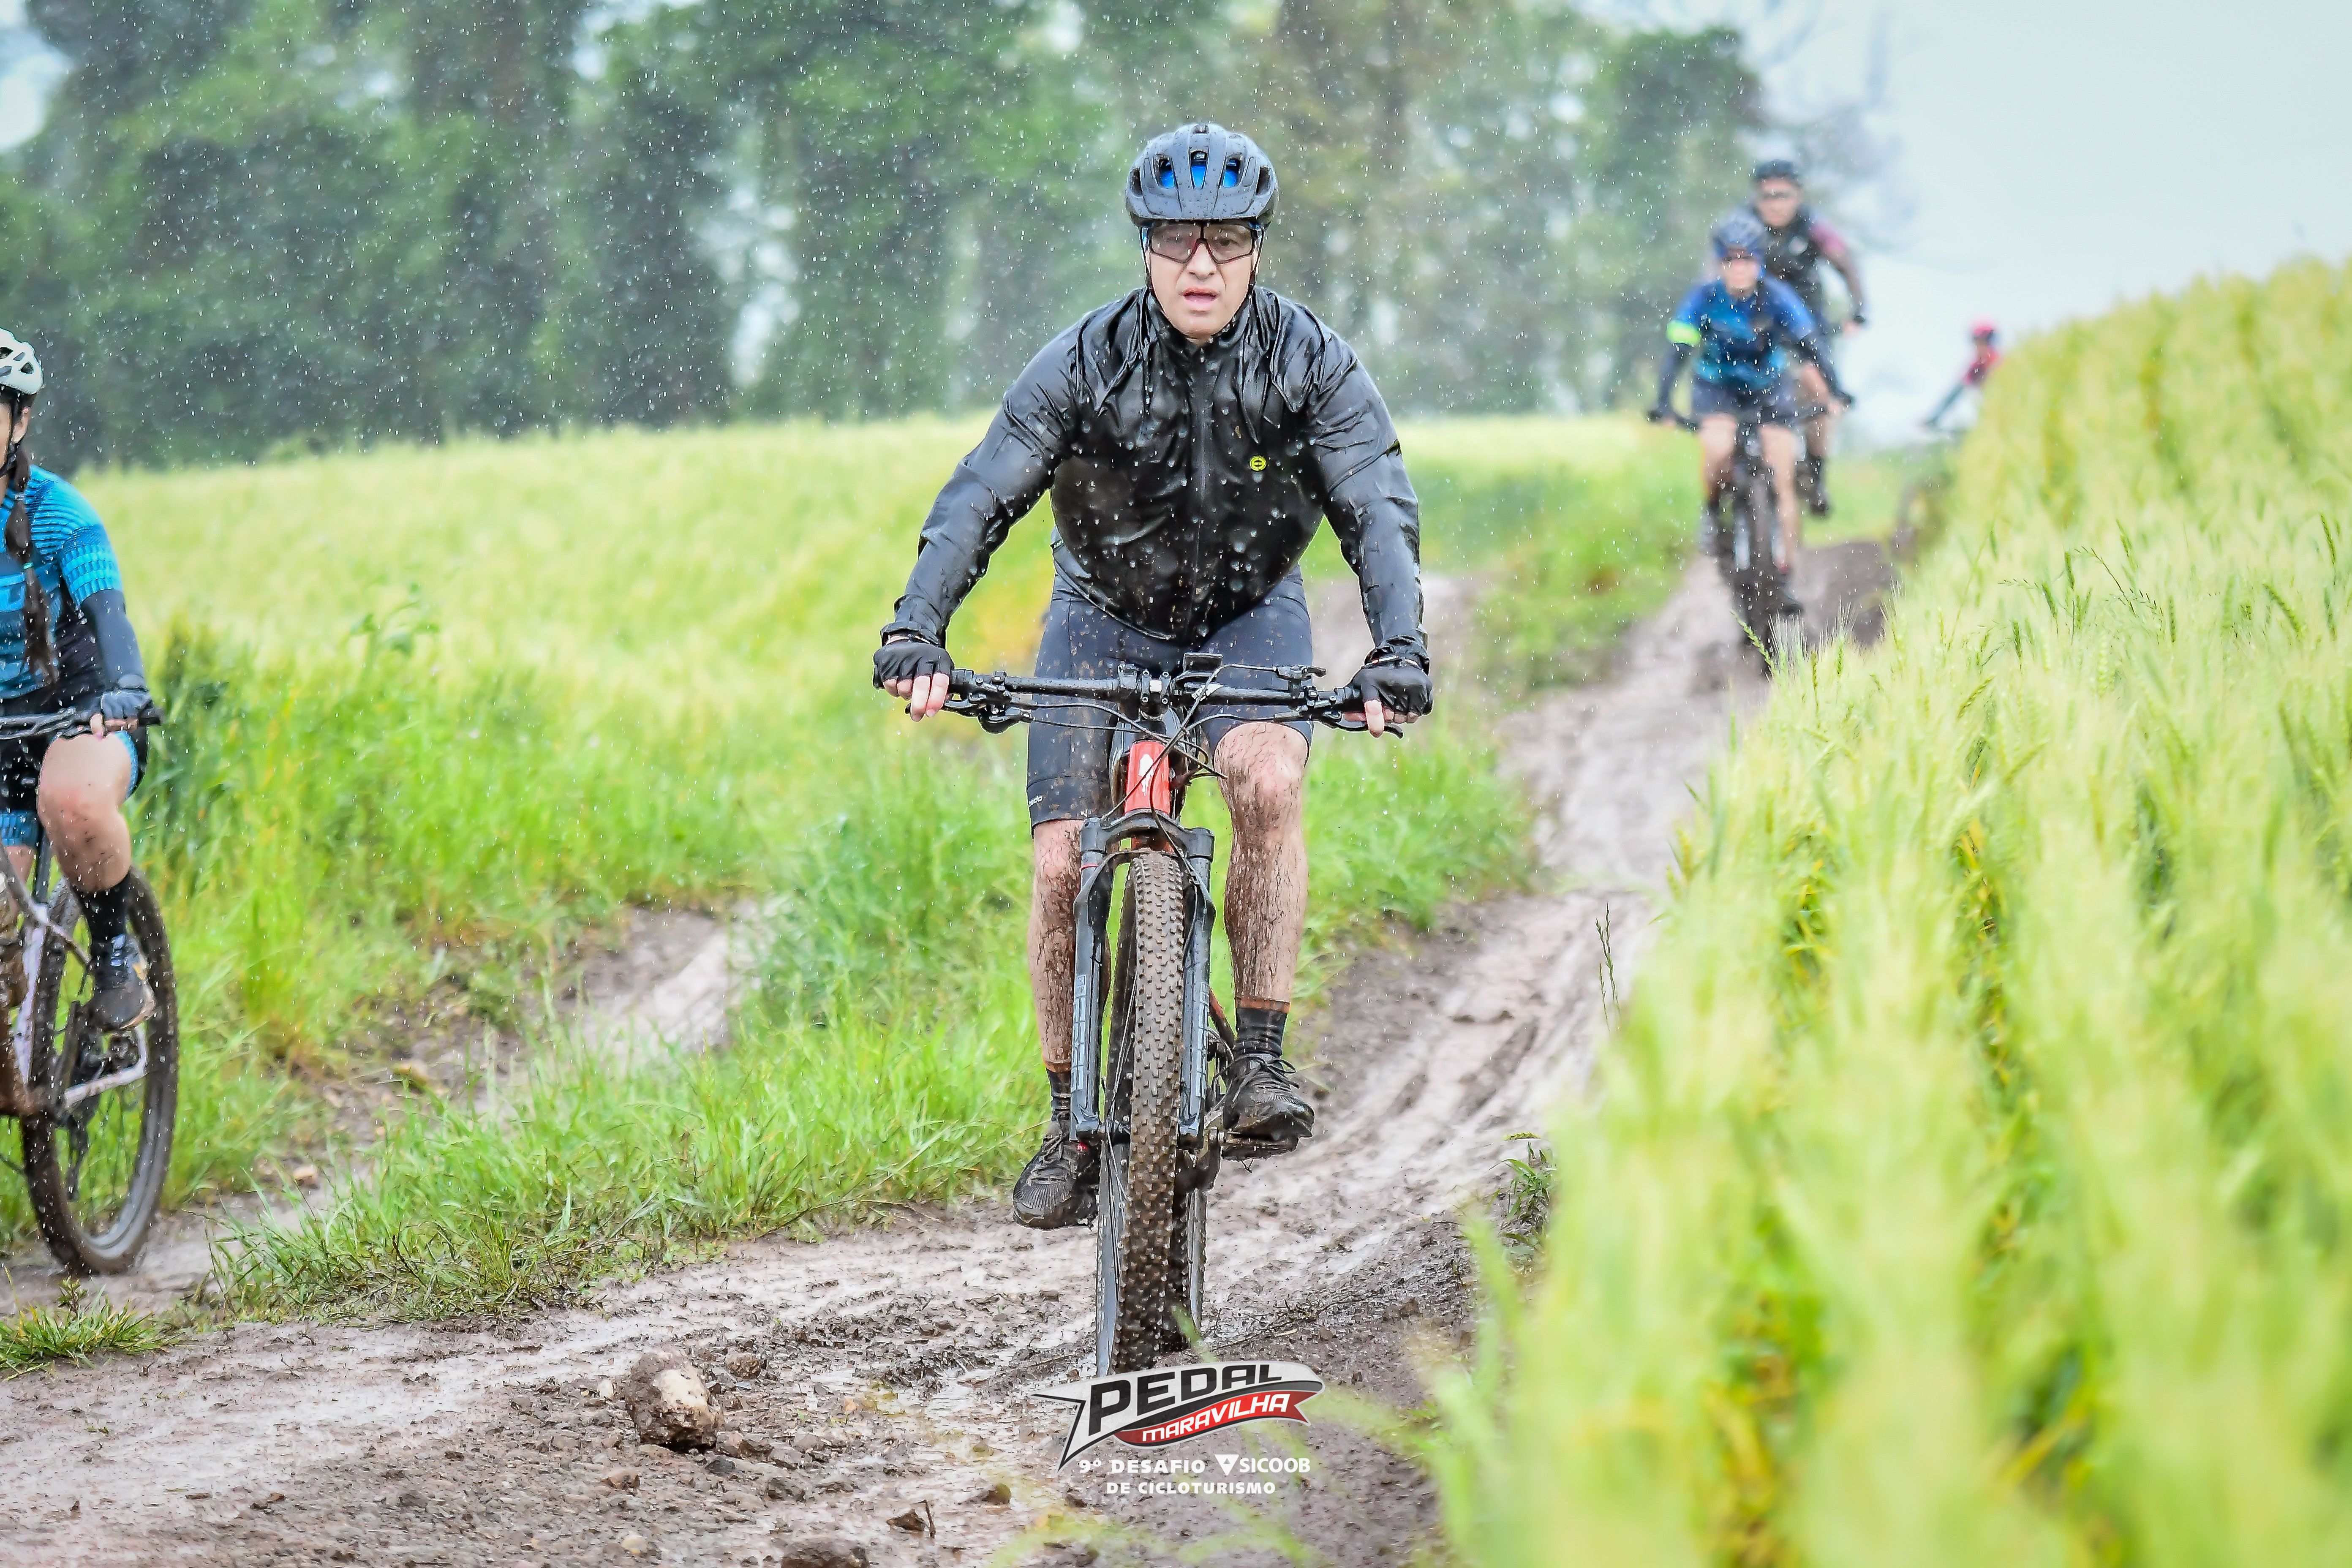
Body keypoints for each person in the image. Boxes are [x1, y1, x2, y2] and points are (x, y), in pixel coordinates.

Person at [873, 122, 1430, 1230]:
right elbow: (983, 492)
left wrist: (1399, 647)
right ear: (1145, 248)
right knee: (1057, 865)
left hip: (1249, 616)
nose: (1201, 265)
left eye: (1226, 240)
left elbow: (1376, 504)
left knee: (1268, 779)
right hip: (1100, 620)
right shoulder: (1085, 359)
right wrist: (917, 628)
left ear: (1259, 246)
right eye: (1177, 241)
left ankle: (1259, 1056)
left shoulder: (1312, 363)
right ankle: (1068, 1123)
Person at [0, 329, 157, 1031]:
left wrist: (127, 688)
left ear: (20, 421)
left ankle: (116, 958)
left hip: (80, 714)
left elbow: (109, 616)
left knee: (73, 803)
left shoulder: (60, 513)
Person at [1650, 212, 1852, 599]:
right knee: (1718, 449)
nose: (1739, 268)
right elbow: (1678, 351)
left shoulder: (1778, 297)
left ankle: (1785, 573)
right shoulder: (1703, 298)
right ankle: (1713, 513)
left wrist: (1836, 391)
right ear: (1720, 263)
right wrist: (1663, 402)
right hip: (1717, 387)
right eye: (1731, 260)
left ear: (1759, 262)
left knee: (1783, 474)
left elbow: (1812, 346)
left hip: (1769, 387)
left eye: (1747, 260)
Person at [1749, 158, 1867, 514]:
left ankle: (1815, 473)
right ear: (1756, 197)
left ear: (1798, 196)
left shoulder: (1813, 227)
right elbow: (1713, 269)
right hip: (1756, 322)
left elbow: (1845, 263)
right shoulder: (1743, 226)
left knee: (1818, 389)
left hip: (1807, 324)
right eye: (1768, 196)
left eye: (1783, 195)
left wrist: (1858, 309)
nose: (1775, 204)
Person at [1925, 320, 2002, 431]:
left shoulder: (1990, 361)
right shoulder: (1986, 362)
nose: (1975, 347)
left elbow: (1956, 392)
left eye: (1976, 341)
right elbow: (1958, 390)